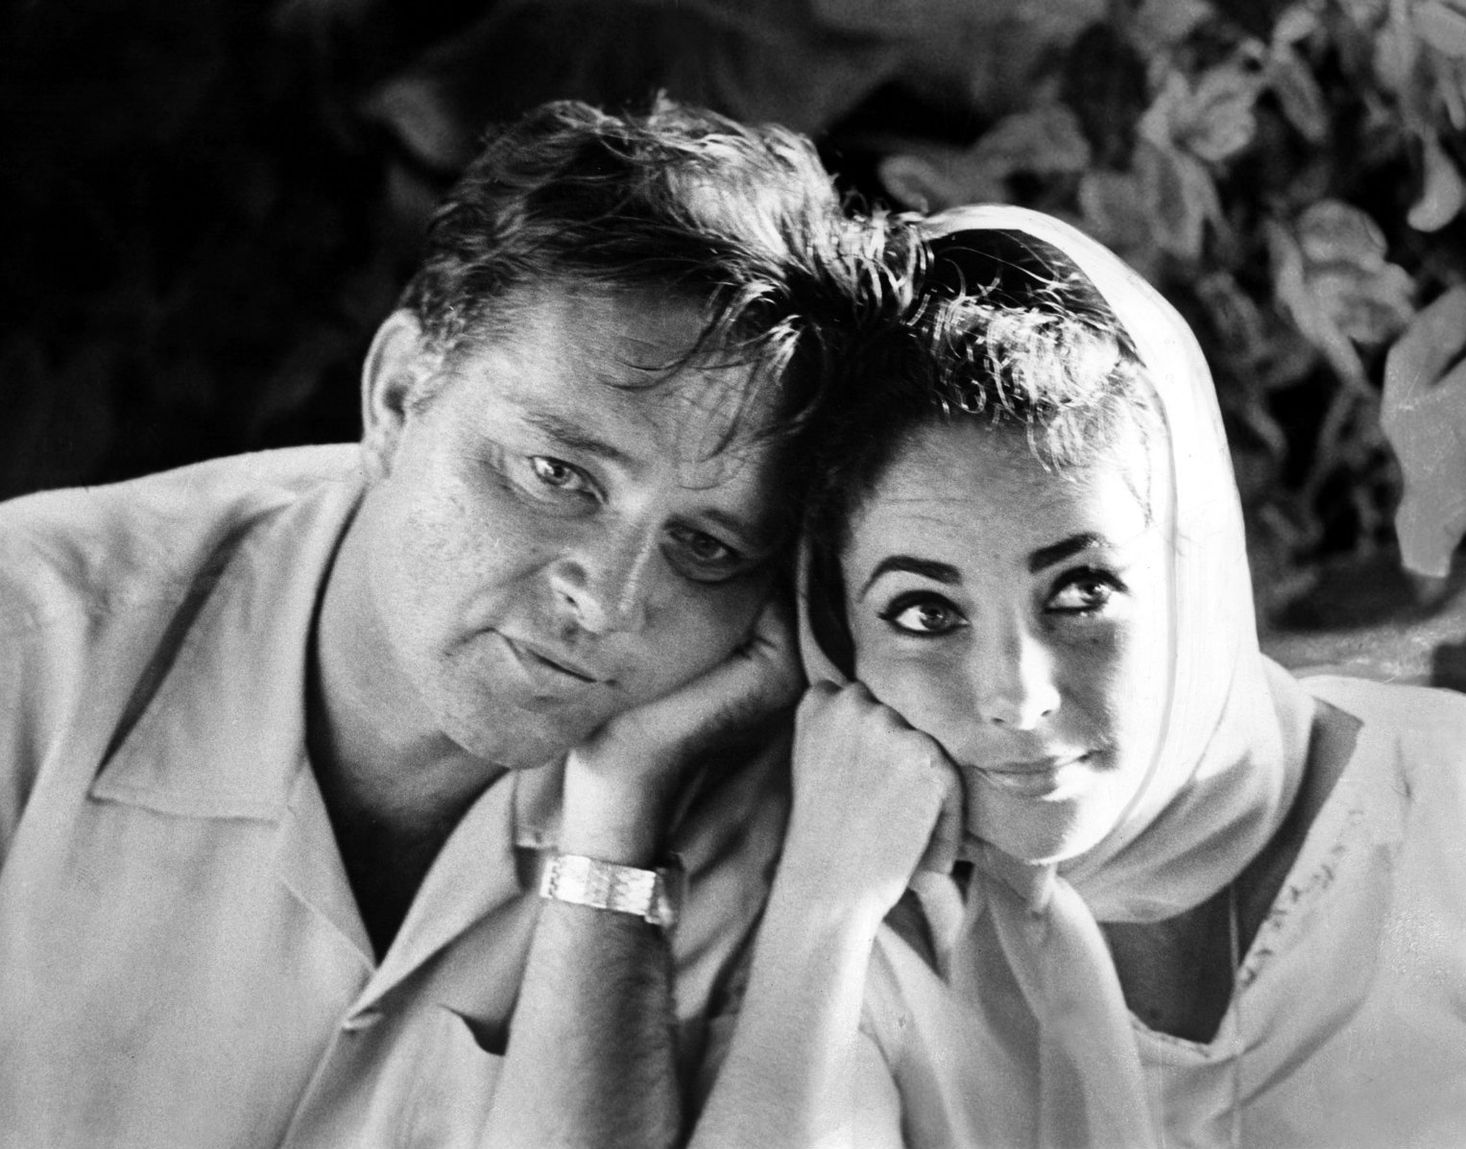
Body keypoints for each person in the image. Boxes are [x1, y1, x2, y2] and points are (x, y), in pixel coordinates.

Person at [0, 98, 892, 1147]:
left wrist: (619, 821)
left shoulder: (761, 809)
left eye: (705, 546)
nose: (609, 602)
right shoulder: (29, 642)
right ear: (397, 395)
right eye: (557, 474)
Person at [691, 205, 1466, 1148]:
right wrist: (822, 914)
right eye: (925, 613)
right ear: (840, 639)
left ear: (1190, 569)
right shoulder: (868, 924)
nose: (1017, 695)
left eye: (1082, 591)